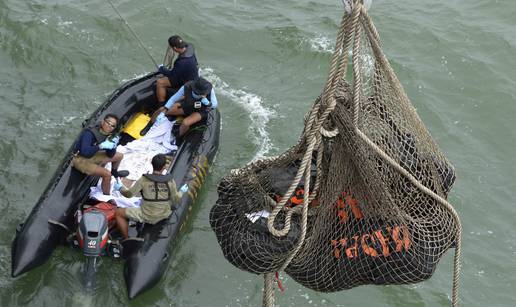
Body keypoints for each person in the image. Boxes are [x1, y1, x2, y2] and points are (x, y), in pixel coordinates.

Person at [114, 154, 188, 238]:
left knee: (119, 213)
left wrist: (120, 188)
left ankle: (126, 238)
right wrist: (181, 191)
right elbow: (176, 199)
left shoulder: (143, 180)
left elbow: (129, 194)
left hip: (146, 215)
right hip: (164, 214)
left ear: (152, 164)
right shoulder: (170, 181)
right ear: (164, 166)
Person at [72, 114, 128, 195]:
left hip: (92, 154)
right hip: (79, 159)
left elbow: (110, 155)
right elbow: (85, 153)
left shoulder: (108, 135)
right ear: (102, 122)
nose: (109, 126)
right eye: (108, 123)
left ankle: (115, 172)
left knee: (119, 156)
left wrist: (113, 146)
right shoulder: (90, 133)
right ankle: (107, 196)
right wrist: (101, 146)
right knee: (107, 174)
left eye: (112, 126)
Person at [156, 35, 199, 106]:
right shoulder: (190, 47)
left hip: (187, 83)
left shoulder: (181, 62)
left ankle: (161, 105)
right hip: (193, 77)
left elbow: (172, 76)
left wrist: (162, 69)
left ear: (175, 48)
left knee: (160, 82)